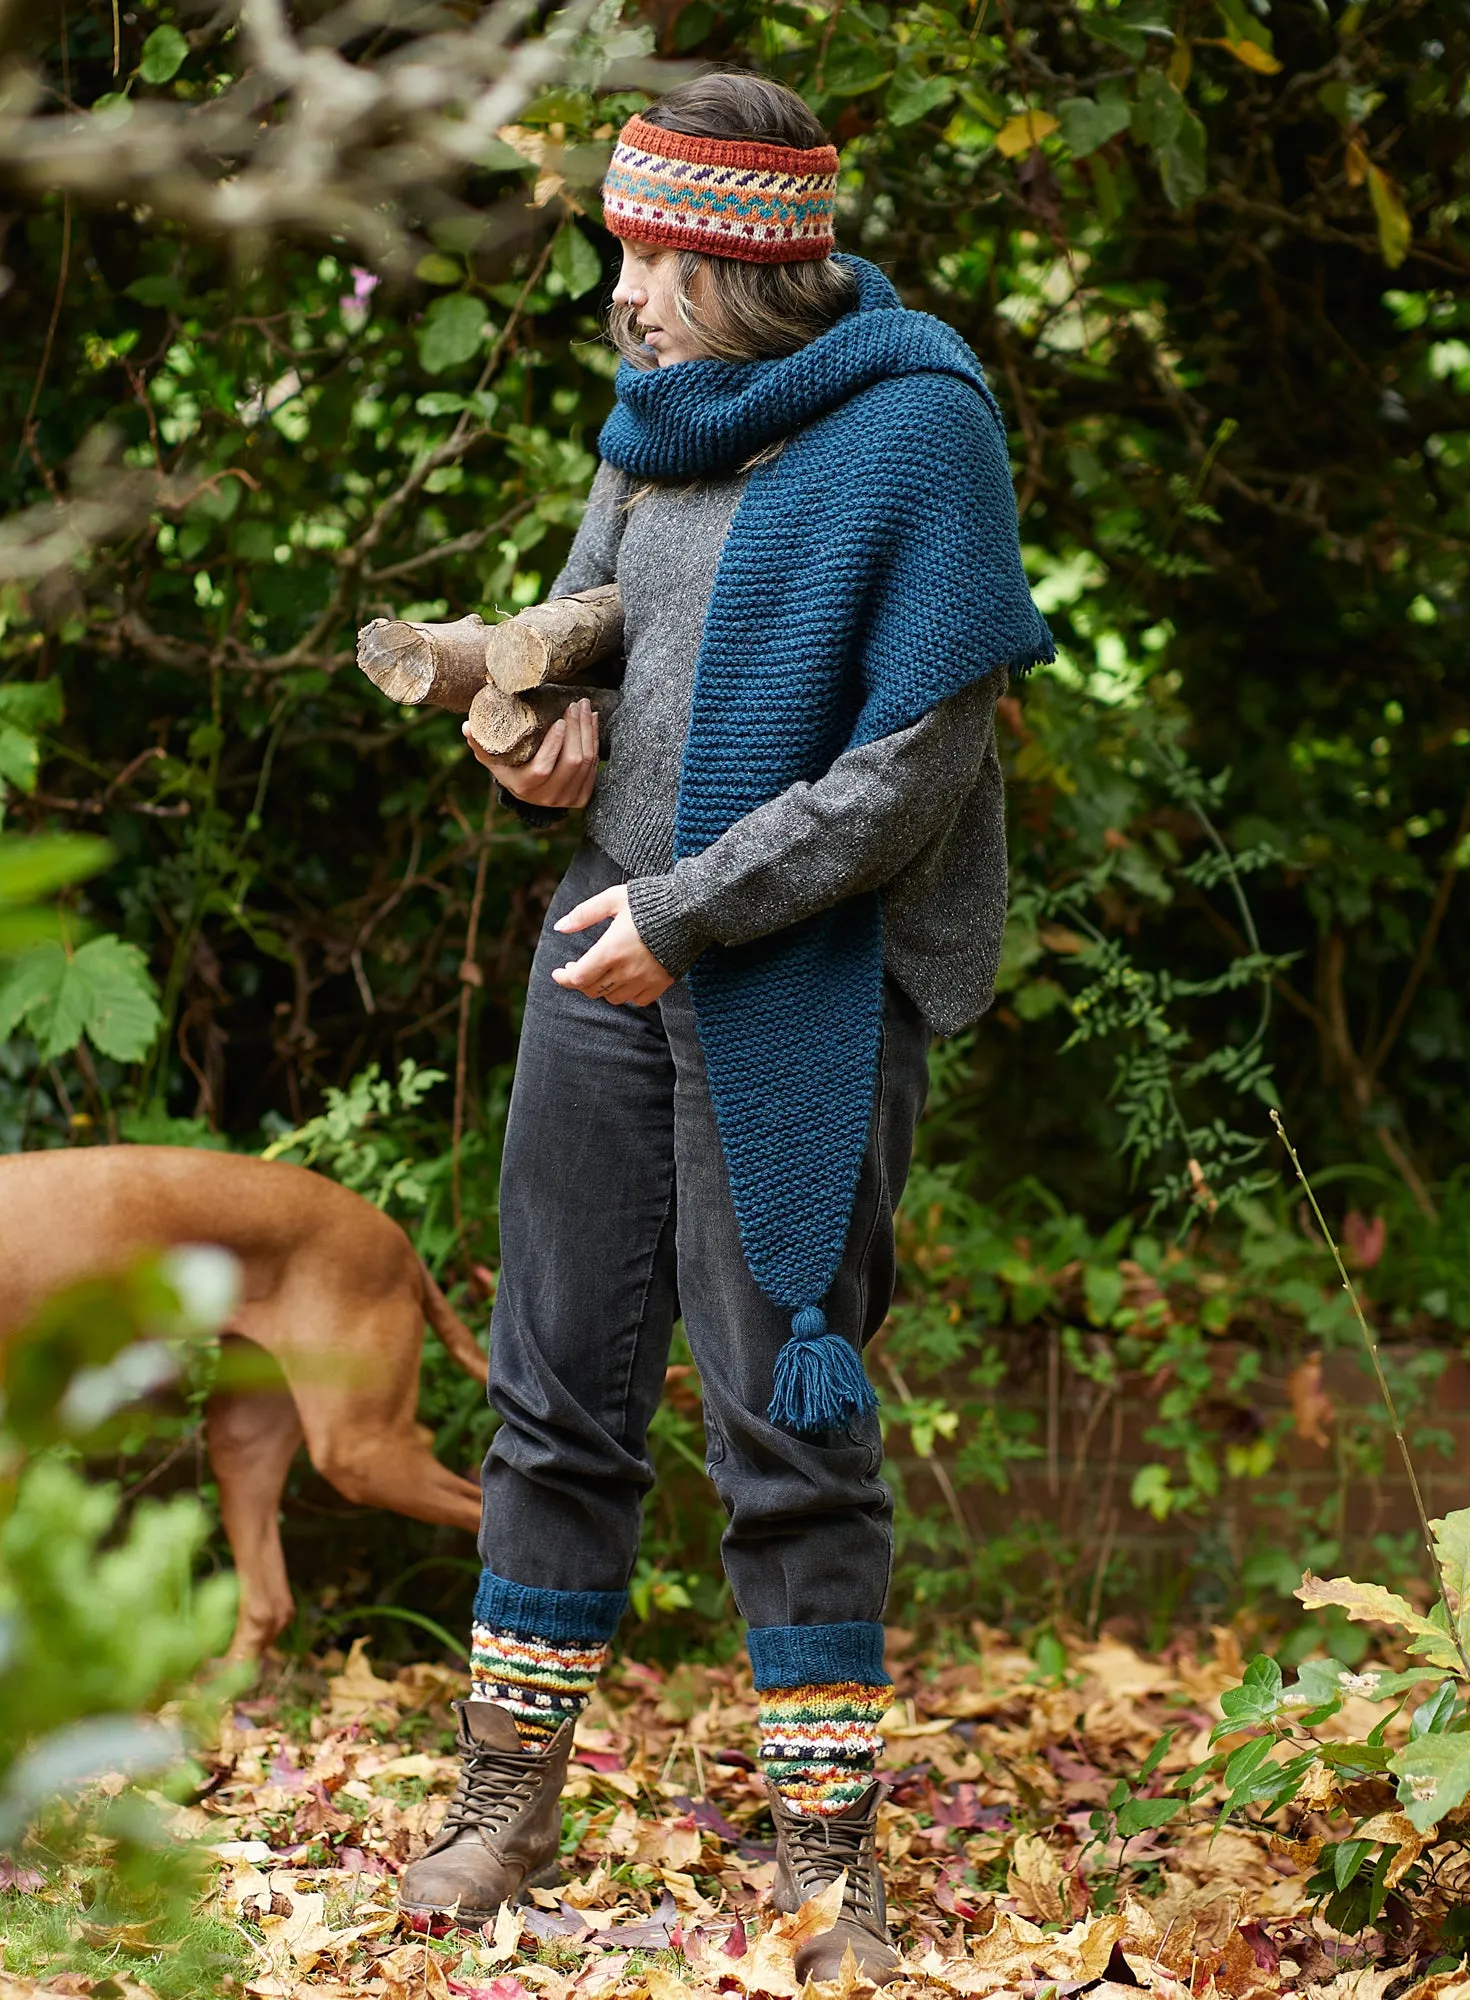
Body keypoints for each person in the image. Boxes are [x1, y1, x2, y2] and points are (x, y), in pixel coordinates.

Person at [397, 72, 1053, 1979]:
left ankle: (825, 1856)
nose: (623, 290)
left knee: (789, 1423)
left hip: (793, 973)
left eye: (652, 254)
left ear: (749, 262)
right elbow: (594, 612)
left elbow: (918, 771)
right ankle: (502, 1803)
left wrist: (688, 916)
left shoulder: (919, 433)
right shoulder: (661, 414)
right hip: (608, 940)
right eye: (619, 246)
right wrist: (532, 727)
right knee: (553, 1399)